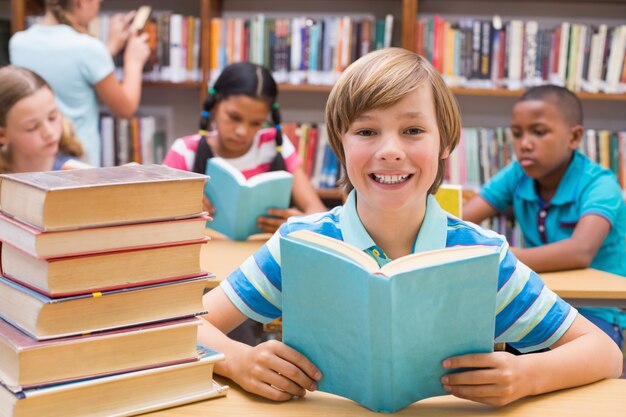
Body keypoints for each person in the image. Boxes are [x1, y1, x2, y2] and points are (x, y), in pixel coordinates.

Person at [196, 48, 623, 406]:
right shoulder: (299, 246)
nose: (390, 151)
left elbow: (604, 352)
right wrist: (236, 358)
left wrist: (526, 373)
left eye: (413, 130)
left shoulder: (481, 257)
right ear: (340, 145)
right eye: (366, 131)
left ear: (446, 143)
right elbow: (183, 326)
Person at [463, 85, 626, 349]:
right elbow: (463, 220)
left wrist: (498, 255)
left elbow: (579, 251)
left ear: (574, 137)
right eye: (516, 134)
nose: (524, 144)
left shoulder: (600, 184)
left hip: (598, 311)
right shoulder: (517, 173)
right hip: (538, 304)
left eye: (539, 132)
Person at [163, 61, 327, 234]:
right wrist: (181, 207)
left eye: (256, 123)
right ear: (216, 104)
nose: (242, 132)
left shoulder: (275, 146)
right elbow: (158, 215)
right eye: (234, 117)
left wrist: (299, 224)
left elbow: (317, 210)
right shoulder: (184, 152)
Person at [9, 0, 150, 166]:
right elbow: (125, 108)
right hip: (79, 161)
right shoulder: (89, 49)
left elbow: (69, 69)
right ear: (81, 2)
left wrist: (109, 48)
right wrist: (133, 62)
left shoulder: (18, 42)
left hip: (36, 160)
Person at [0, 65, 91, 173]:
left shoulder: (79, 174)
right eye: (32, 127)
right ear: (2, 134)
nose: (49, 132)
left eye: (52, 117)